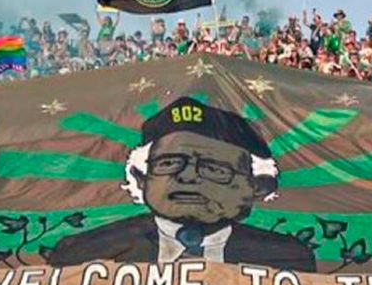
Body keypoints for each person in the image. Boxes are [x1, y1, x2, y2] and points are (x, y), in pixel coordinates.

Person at [49, 97, 317, 272]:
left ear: (257, 187)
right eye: (169, 163)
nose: (187, 176)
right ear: (141, 179)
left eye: (214, 169)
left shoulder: (287, 259)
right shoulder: (82, 254)